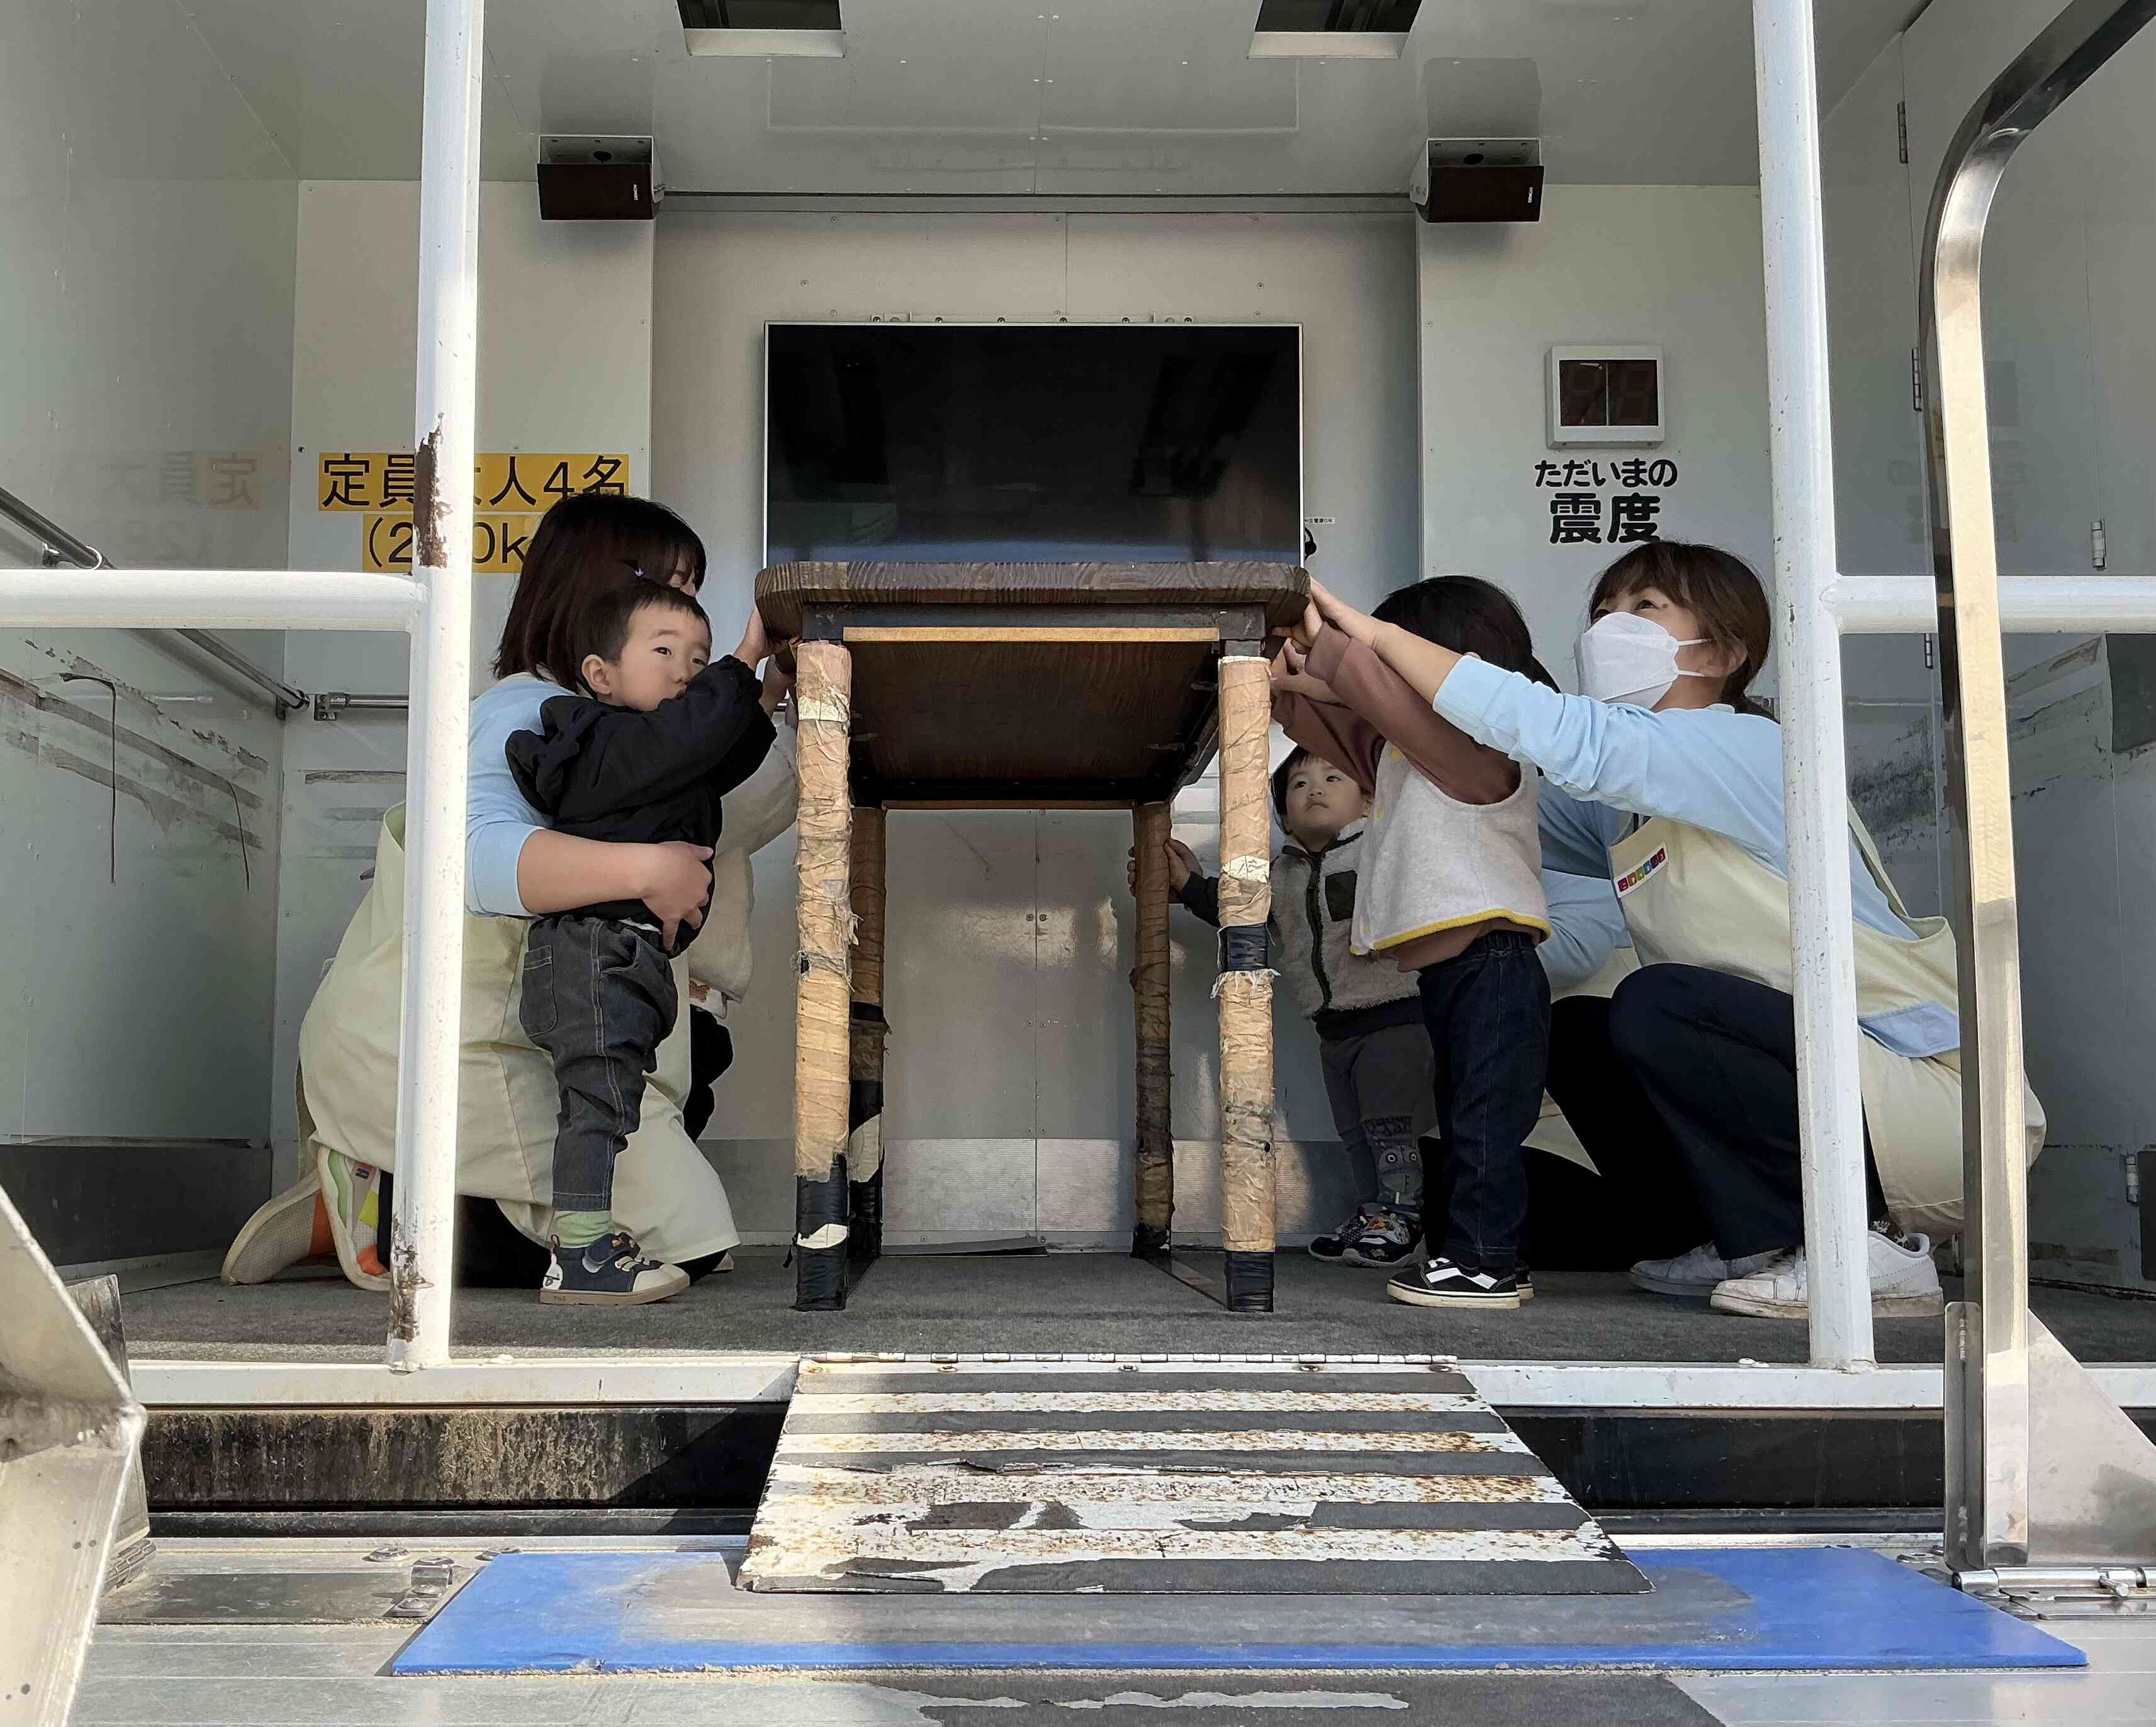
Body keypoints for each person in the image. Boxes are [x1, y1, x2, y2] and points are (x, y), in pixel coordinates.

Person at [1298, 542, 2046, 1320]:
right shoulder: (1630, 803)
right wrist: (1314, 689)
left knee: (1658, 1002)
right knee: (1583, 1029)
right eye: (1603, 611)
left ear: (1721, 652)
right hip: (1832, 1086)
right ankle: (1740, 1240)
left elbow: (1565, 737)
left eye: (1645, 608)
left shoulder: (1753, 749)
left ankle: (1866, 1245)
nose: (1610, 628)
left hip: (1930, 1106)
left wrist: (1373, 640)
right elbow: (1476, 786)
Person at [221, 492, 794, 1292]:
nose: (685, 617)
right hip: (452, 1051)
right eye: (667, 594)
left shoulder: (616, 724)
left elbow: (716, 786)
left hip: (521, 1037)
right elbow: (477, 858)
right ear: (599, 599)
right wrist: (646, 873)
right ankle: (376, 1204)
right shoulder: (527, 712)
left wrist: (761, 690)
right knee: (680, 1240)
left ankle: (399, 1199)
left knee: (689, 1215)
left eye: (691, 598)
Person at [1272, 576, 1554, 1312]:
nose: (1391, 669)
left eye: (1402, 652)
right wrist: (1293, 674)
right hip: (1454, 975)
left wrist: (1338, 642)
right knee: (1470, 1118)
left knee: (1483, 1122)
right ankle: (1486, 1258)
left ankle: (1484, 1262)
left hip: (1493, 963)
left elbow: (1380, 704)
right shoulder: (1407, 757)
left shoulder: (1485, 748)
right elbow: (1347, 724)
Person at [505, 578, 777, 1304]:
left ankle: (592, 1238)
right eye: (665, 651)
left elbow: (719, 756)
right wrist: (745, 656)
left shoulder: (656, 753)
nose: (686, 667)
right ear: (602, 674)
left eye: (700, 655)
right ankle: (583, 1254)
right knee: (596, 1104)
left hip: (627, 954)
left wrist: (767, 687)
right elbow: (692, 738)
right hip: (594, 949)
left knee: (613, 1102)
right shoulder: (595, 737)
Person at [1143, 746, 1437, 1268]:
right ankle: (1373, 1212)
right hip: (1334, 1027)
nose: (1315, 789)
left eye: (1332, 777)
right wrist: (1190, 885)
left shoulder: (1376, 849)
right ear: (1283, 815)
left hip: (1395, 1015)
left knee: (1390, 1125)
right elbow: (1240, 911)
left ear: (1370, 801)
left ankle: (1404, 1216)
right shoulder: (1283, 873)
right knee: (1354, 1132)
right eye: (1299, 786)